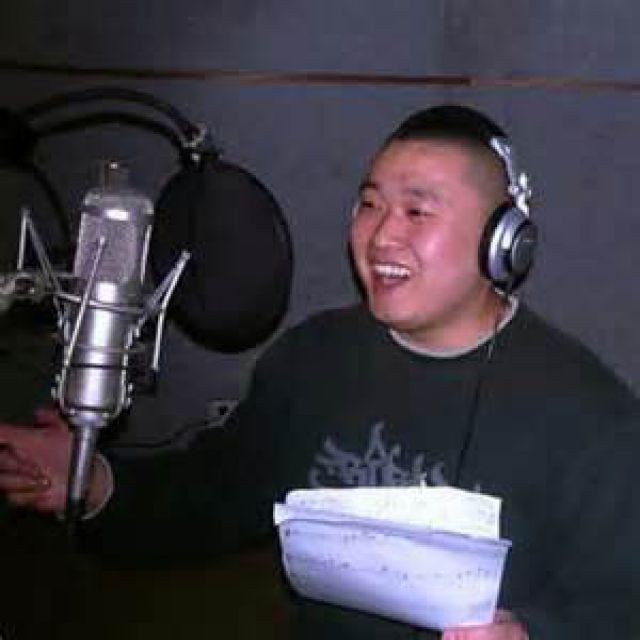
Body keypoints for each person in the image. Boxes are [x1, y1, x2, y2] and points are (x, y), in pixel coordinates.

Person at [0, 104, 639, 640]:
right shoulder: (313, 357)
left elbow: (622, 606)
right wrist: (96, 480)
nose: (380, 236)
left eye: (417, 212)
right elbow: (215, 494)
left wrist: (533, 636)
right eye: (369, 204)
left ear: (504, 242)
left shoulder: (589, 417)